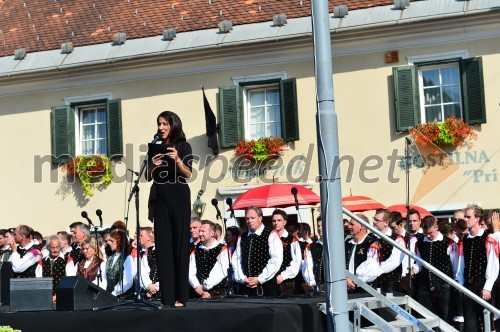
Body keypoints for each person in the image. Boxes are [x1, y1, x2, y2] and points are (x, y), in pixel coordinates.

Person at [147, 110, 193, 308]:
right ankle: (167, 298)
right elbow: (148, 177)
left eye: (165, 123)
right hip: (160, 197)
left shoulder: (184, 146)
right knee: (164, 247)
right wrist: (153, 165)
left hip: (179, 195)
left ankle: (181, 296)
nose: (161, 127)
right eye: (159, 124)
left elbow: (188, 173)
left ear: (173, 124)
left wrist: (177, 160)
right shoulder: (155, 147)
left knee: (179, 244)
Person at [456, 205, 498, 332]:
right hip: (469, 285)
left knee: (488, 323)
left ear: (477, 219)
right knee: (470, 325)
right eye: (465, 217)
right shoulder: (465, 239)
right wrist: (461, 284)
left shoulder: (489, 237)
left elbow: (493, 262)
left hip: (483, 284)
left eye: (468, 217)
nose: (466, 220)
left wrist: (488, 286)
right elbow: (461, 263)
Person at [232, 206, 283, 297]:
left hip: (267, 287)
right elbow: (236, 259)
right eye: (247, 218)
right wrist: (242, 278)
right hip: (247, 287)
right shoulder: (242, 237)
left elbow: (276, 260)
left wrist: (260, 279)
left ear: (260, 218)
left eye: (253, 218)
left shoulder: (271, 234)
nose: (249, 221)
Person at [415, 216, 458, 321]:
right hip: (424, 286)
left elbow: (455, 266)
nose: (428, 236)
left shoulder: (449, 243)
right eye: (426, 233)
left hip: (443, 286)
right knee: (425, 317)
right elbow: (418, 264)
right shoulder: (420, 243)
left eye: (430, 233)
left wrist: (456, 282)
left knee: (444, 316)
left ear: (436, 227)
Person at [189, 221, 229, 298]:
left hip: (218, 294)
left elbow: (221, 271)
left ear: (212, 233)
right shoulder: (196, 250)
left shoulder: (222, 249)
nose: (200, 234)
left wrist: (205, 286)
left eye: (203, 231)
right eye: (200, 231)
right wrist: (198, 287)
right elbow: (190, 271)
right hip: (198, 294)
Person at [372, 208, 405, 293]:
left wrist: (376, 270)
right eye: (374, 219)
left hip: (390, 283)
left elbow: (395, 261)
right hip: (371, 281)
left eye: (377, 220)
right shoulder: (370, 237)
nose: (374, 222)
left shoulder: (397, 239)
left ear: (386, 223)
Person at [345, 214, 380, 293]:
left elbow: (371, 267)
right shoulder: (348, 243)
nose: (349, 227)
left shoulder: (371, 242)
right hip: (347, 287)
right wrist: (346, 278)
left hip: (365, 289)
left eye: (352, 224)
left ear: (361, 226)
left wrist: (355, 281)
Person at [271, 209, 301, 296]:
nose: (276, 223)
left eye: (279, 220)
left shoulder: (292, 239)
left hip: (287, 282)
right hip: (270, 280)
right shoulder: (269, 238)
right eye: (274, 221)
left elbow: (296, 263)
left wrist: (283, 276)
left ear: (285, 222)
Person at [100, 229, 134, 298]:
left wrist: (115, 292)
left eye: (112, 241)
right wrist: (103, 292)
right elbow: (104, 279)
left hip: (123, 298)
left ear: (119, 242)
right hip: (108, 296)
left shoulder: (127, 258)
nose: (109, 243)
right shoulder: (109, 259)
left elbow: (128, 282)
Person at [35, 236, 66, 302]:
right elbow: (39, 281)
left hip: (63, 297)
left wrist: (57, 296)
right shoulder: (42, 262)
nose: (55, 250)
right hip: (46, 298)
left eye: (57, 247)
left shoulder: (67, 260)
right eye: (53, 248)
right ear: (48, 248)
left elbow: (70, 281)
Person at [138, 227, 159, 299]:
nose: (151, 234)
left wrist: (156, 287)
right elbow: (143, 272)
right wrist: (149, 285)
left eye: (141, 235)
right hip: (149, 292)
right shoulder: (147, 252)